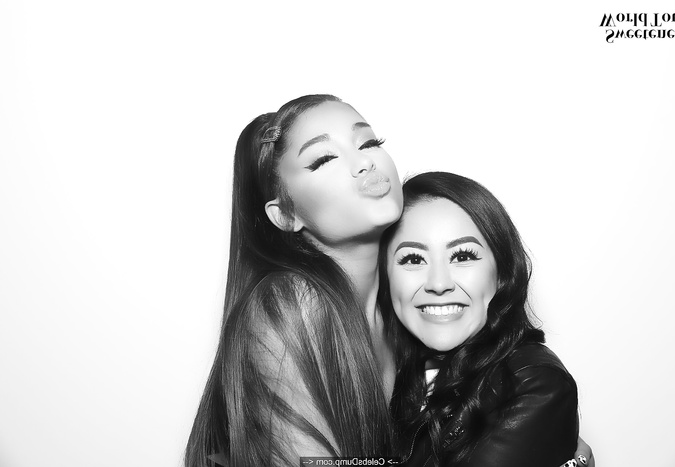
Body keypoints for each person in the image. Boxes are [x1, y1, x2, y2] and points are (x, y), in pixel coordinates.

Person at [186, 95, 593, 467]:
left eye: (368, 143)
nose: (364, 163)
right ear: (286, 215)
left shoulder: (402, 322)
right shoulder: (295, 301)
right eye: (323, 159)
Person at [379, 171, 585, 467]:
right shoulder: (393, 374)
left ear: (501, 273)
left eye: (462, 256)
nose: (438, 283)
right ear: (386, 278)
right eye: (413, 259)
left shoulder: (533, 383)